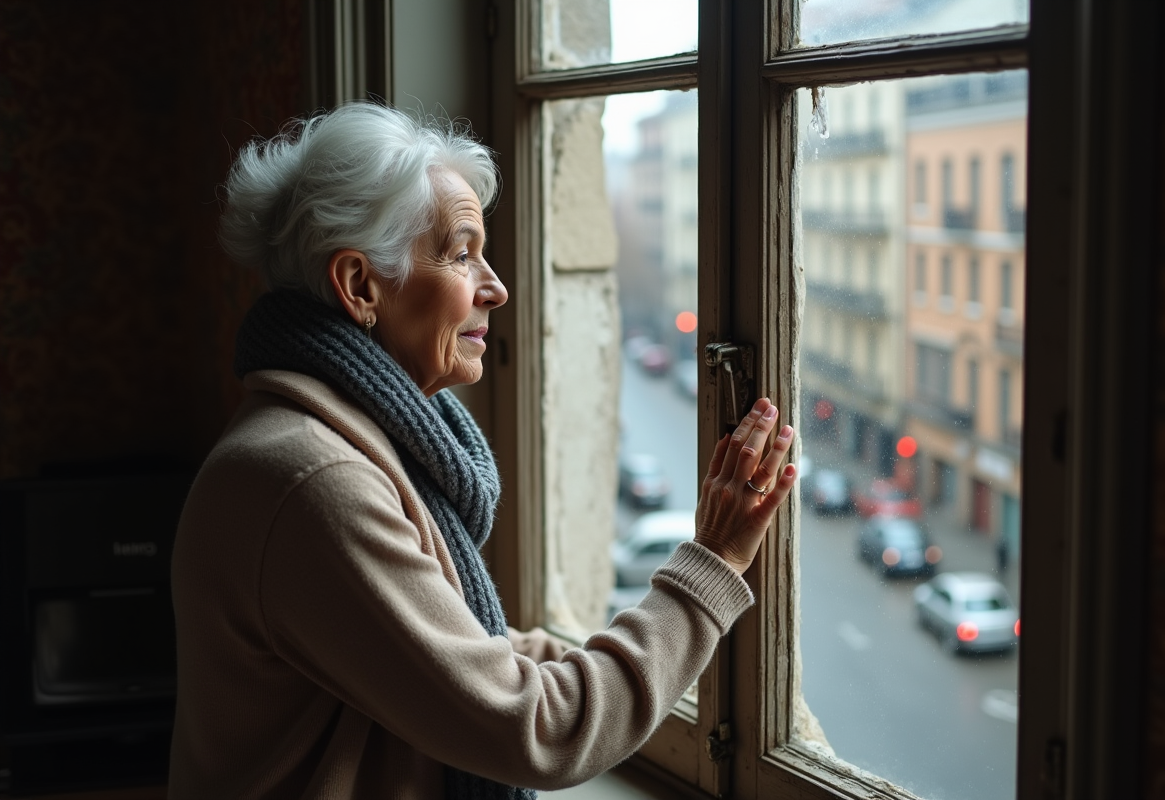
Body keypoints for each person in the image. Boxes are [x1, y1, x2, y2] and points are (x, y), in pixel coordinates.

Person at [169, 101, 797, 799]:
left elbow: (454, 652)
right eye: (462, 253)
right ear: (359, 285)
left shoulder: (340, 435)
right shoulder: (314, 478)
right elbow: (541, 730)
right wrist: (713, 562)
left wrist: (612, 666)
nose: (494, 288)